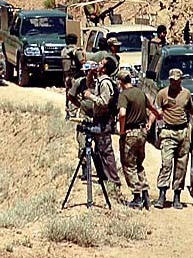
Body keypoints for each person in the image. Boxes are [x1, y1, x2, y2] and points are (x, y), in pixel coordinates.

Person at [77, 60, 122, 195]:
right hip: (100, 120)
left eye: (101, 63)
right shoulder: (100, 81)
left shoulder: (105, 83)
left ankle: (113, 180)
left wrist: (90, 96)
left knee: (106, 151)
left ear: (104, 68)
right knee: (100, 150)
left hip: (104, 121)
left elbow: (104, 102)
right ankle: (105, 177)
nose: (98, 64)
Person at [117, 70, 160, 209]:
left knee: (129, 164)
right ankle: (145, 191)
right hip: (142, 133)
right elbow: (152, 107)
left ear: (120, 82)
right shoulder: (140, 92)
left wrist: (122, 129)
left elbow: (122, 114)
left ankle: (136, 197)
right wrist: (154, 119)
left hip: (130, 133)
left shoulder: (124, 95)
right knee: (139, 163)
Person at [154, 68, 193, 209]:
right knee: (167, 164)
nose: (173, 83)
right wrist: (156, 120)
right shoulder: (163, 94)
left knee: (181, 165)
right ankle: (162, 195)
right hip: (168, 132)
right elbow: (156, 109)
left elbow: (191, 109)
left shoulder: (186, 94)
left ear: (180, 81)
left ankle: (177, 195)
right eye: (171, 80)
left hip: (182, 132)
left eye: (176, 81)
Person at [60, 34, 85, 119]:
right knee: (77, 96)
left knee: (68, 95)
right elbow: (82, 62)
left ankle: (68, 113)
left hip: (67, 76)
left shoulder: (63, 51)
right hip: (76, 77)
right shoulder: (76, 51)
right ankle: (74, 115)